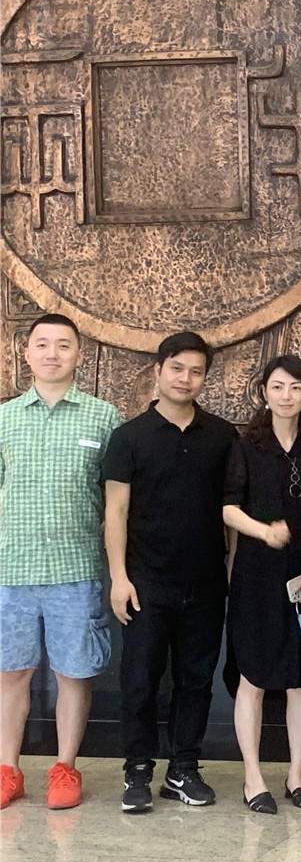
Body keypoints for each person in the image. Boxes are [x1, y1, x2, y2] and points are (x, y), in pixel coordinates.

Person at [103, 332, 238, 813]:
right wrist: (119, 578)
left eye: (196, 371)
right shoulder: (129, 437)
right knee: (139, 679)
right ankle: (137, 770)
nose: (186, 378)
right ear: (159, 370)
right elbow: (115, 511)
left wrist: (231, 569)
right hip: (145, 582)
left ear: (205, 378)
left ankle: (183, 769)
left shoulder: (222, 435)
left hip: (205, 582)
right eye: (177, 368)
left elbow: (231, 510)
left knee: (196, 679)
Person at [0, 314, 122, 810]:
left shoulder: (104, 418)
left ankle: (65, 767)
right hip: (11, 570)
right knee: (11, 674)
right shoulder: (5, 419)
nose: (52, 353)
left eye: (64, 345)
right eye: (43, 344)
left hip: (77, 570)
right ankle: (7, 770)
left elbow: (117, 500)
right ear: (26, 353)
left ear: (79, 354)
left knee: (75, 673)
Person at [221, 355, 301, 815]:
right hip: (257, 576)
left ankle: (296, 775)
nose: (287, 396)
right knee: (254, 676)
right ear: (264, 392)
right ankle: (253, 778)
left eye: (296, 388)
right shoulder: (247, 446)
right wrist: (264, 532)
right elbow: (228, 508)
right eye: (278, 387)